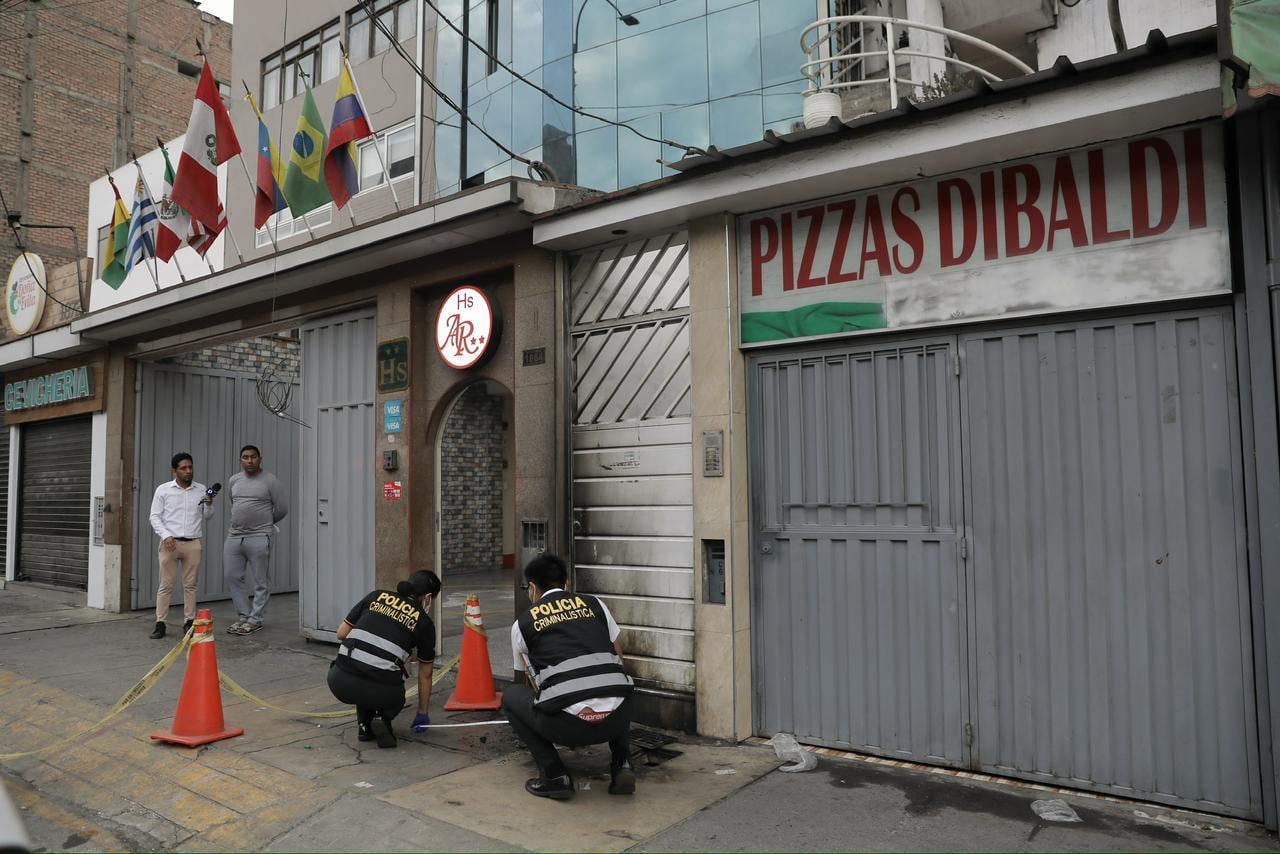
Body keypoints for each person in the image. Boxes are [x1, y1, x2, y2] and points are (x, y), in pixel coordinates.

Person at [503, 553, 636, 800]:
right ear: (567, 583)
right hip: (618, 719)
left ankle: (555, 776)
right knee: (615, 681)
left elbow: (523, 679)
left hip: (567, 727)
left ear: (532, 588)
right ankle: (622, 764)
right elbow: (619, 657)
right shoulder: (595, 604)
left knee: (511, 697)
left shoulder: (522, 624)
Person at [327, 570, 441, 749]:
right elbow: (425, 674)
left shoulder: (377, 596)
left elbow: (341, 633)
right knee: (391, 693)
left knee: (362, 672)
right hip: (381, 690)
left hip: (339, 680)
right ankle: (383, 717)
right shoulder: (424, 623)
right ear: (427, 597)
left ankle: (364, 726)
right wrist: (422, 712)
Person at [146, 452, 214, 639]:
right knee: (166, 584)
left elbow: (208, 516)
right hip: (170, 543)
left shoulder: (201, 490)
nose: (188, 471)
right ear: (174, 470)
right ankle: (160, 623)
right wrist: (166, 535)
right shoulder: (164, 490)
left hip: (192, 543)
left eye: (190, 467)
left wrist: (209, 505)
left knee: (190, 585)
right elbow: (154, 516)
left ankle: (189, 622)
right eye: (183, 468)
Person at [223, 444, 288, 635]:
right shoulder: (234, 480)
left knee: (261, 580)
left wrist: (266, 524)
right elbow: (233, 503)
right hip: (234, 536)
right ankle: (244, 615)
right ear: (240, 460)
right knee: (232, 575)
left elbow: (282, 508)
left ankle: (256, 618)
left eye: (253, 457)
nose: (249, 461)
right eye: (245, 457)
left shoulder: (270, 481)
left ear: (260, 459)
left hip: (260, 536)